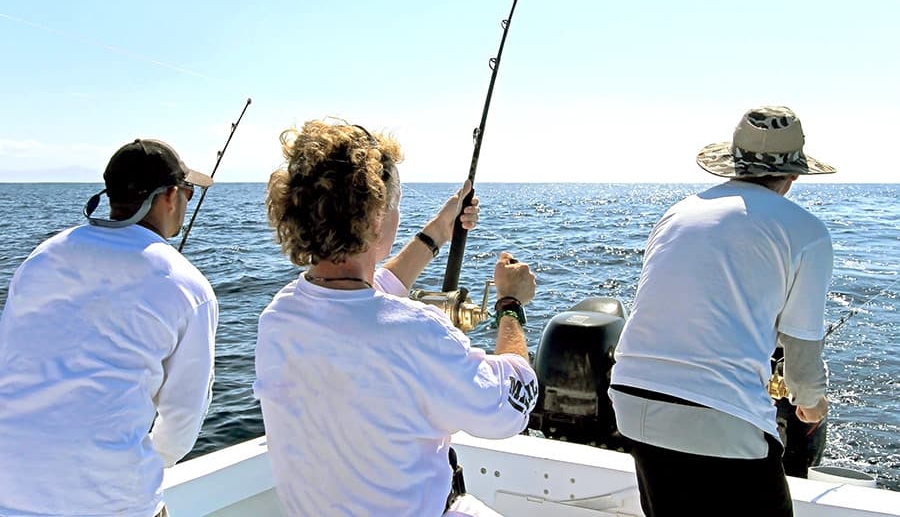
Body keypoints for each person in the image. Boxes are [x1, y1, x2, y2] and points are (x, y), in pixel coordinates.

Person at [254, 120, 538, 517]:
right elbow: (513, 407)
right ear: (375, 217)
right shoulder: (414, 331)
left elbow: (376, 288)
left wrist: (441, 229)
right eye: (395, 202)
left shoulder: (280, 316)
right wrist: (511, 303)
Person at [609, 106, 834, 516]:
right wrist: (812, 403)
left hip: (631, 398)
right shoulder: (808, 231)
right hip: (719, 416)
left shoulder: (677, 212)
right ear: (795, 175)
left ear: (732, 164)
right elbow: (801, 357)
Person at [0, 139, 219, 517]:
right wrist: (149, 467)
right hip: (113, 503)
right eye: (187, 190)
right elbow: (182, 418)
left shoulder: (41, 257)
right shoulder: (188, 287)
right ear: (168, 197)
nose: (186, 199)